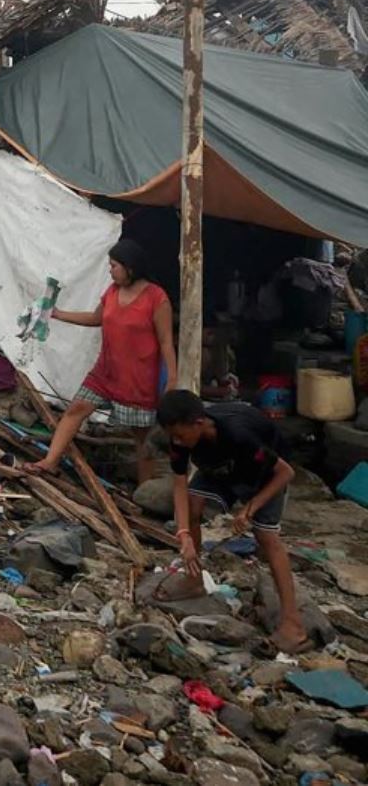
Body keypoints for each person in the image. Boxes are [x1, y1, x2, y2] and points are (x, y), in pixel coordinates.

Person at [157, 390, 307, 651]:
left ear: (199, 424)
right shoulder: (181, 440)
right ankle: (194, 581)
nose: (176, 442)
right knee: (193, 505)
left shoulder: (238, 434)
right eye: (172, 436)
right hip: (220, 468)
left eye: (180, 436)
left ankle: (294, 623)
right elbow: (179, 486)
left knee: (266, 538)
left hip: (265, 473)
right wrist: (184, 536)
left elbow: (285, 472)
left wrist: (250, 508)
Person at [23, 238, 175, 484]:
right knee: (75, 410)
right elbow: (96, 318)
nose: (110, 270)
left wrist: (172, 380)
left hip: (138, 378)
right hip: (106, 371)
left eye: (114, 265)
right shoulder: (113, 292)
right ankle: (50, 462)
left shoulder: (157, 298)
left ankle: (144, 491)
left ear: (131, 268)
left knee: (141, 438)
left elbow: (167, 342)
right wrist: (58, 314)